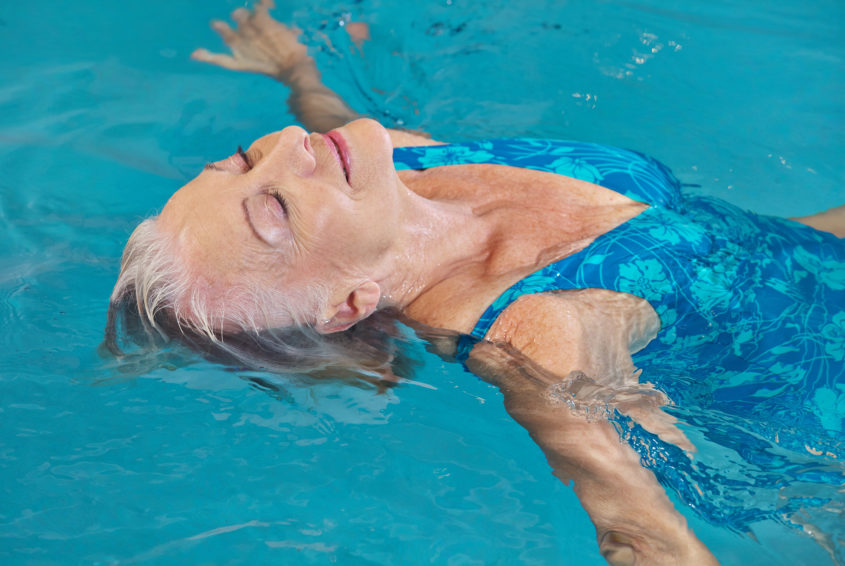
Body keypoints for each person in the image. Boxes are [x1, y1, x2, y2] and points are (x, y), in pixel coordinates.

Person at [107, 2, 845, 564]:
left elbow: (328, 127)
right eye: (272, 207)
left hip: (810, 245)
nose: (289, 150)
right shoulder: (537, 330)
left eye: (240, 159)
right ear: (350, 302)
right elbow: (639, 527)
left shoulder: (395, 166)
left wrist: (295, 71)